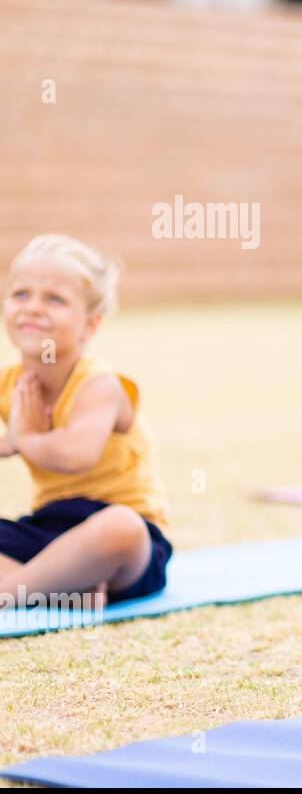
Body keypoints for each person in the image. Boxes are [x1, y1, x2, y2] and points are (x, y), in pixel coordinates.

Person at [0, 234, 171, 610]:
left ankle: (13, 593)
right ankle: (63, 588)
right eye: (21, 294)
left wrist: (22, 438)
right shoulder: (9, 383)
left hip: (119, 533)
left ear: (90, 325)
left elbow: (77, 454)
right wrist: (12, 440)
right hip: (49, 530)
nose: (33, 308)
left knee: (120, 527)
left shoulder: (99, 385)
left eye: (55, 299)